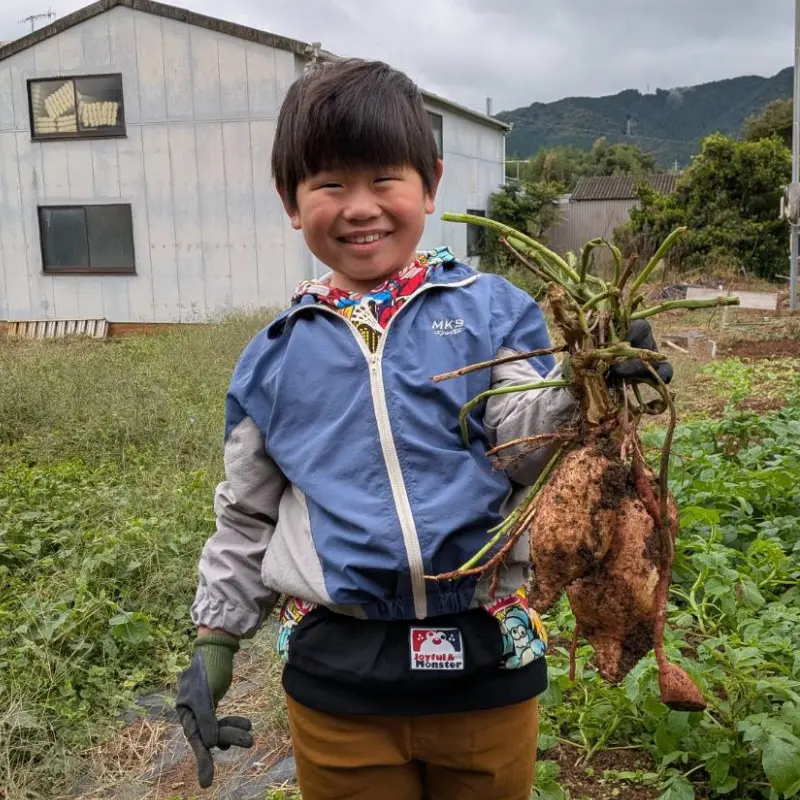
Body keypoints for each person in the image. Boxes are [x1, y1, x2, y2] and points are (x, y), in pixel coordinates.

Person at [174, 58, 670, 800]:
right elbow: (246, 510)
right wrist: (215, 639)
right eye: (330, 184)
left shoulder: (491, 311)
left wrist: (586, 385)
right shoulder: (270, 361)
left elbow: (517, 440)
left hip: (484, 664)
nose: (359, 207)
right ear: (291, 199)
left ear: (430, 184)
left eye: (384, 179)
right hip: (339, 679)